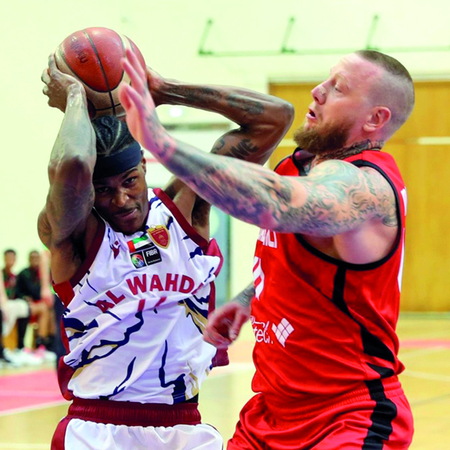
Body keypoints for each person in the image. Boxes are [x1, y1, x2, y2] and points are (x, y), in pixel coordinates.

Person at [119, 48, 414, 449]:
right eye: (326, 79)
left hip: (347, 417)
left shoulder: (367, 186)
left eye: (339, 88)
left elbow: (276, 203)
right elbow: (309, 259)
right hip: (270, 413)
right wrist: (249, 298)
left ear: (375, 119)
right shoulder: (298, 166)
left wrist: (161, 142)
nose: (318, 91)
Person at [39, 50, 293, 449]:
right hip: (98, 428)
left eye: (130, 181)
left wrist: (164, 90)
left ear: (144, 166)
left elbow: (275, 118)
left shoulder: (186, 208)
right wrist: (75, 97)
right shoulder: (74, 235)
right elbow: (71, 161)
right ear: (88, 190)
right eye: (103, 190)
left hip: (183, 424)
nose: (121, 199)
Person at [15, 250, 55, 351]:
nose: (35, 260)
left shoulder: (43, 274)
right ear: (29, 259)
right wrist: (25, 298)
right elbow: (17, 291)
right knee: (39, 309)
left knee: (50, 310)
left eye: (37, 258)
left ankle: (45, 343)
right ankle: (31, 344)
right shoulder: (23, 274)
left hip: (39, 303)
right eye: (32, 258)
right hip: (26, 304)